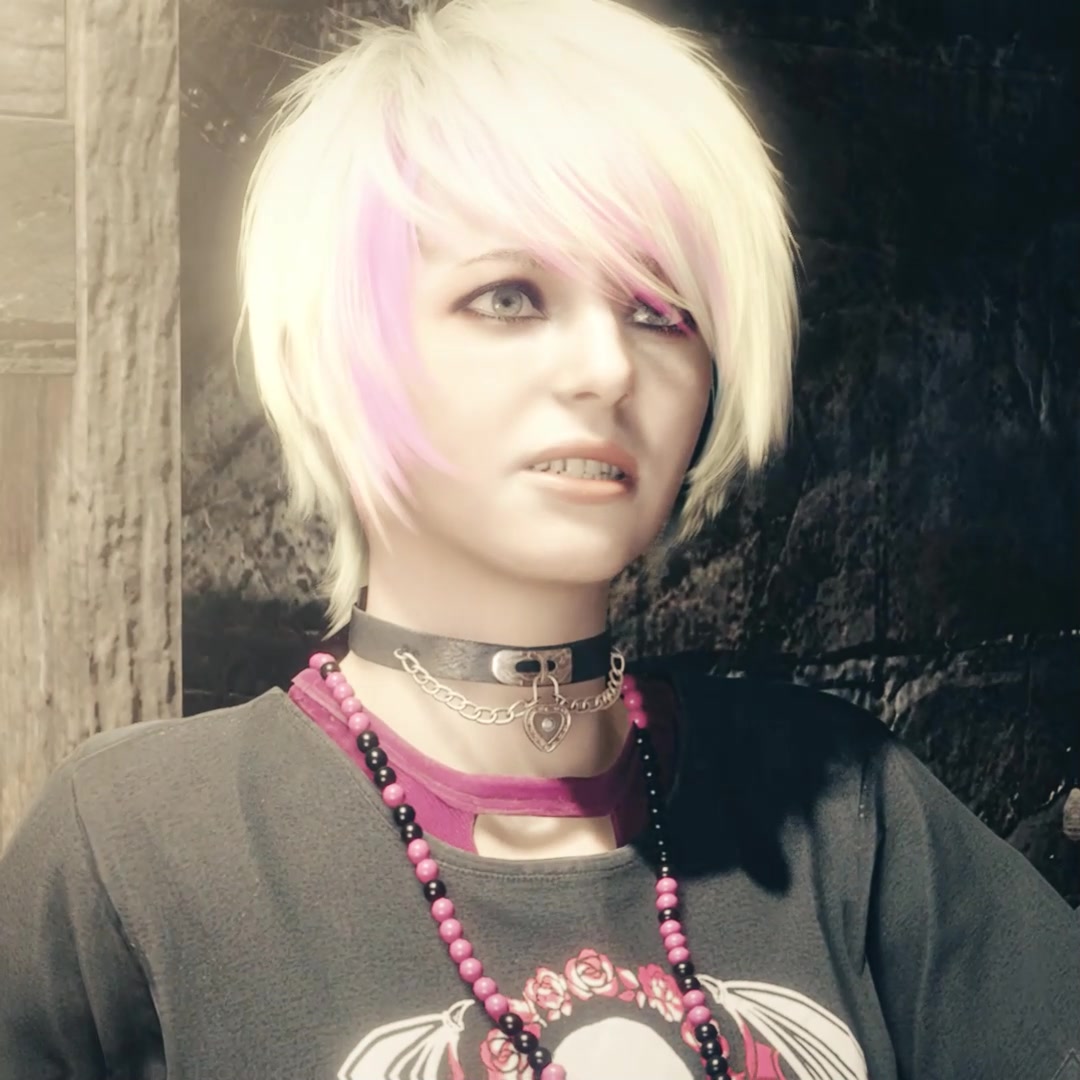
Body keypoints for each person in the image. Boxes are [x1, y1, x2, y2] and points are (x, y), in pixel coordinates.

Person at [1, 0, 1077, 1077]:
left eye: (661, 309)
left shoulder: (849, 810)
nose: (608, 369)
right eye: (509, 296)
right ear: (339, 347)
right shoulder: (140, 847)